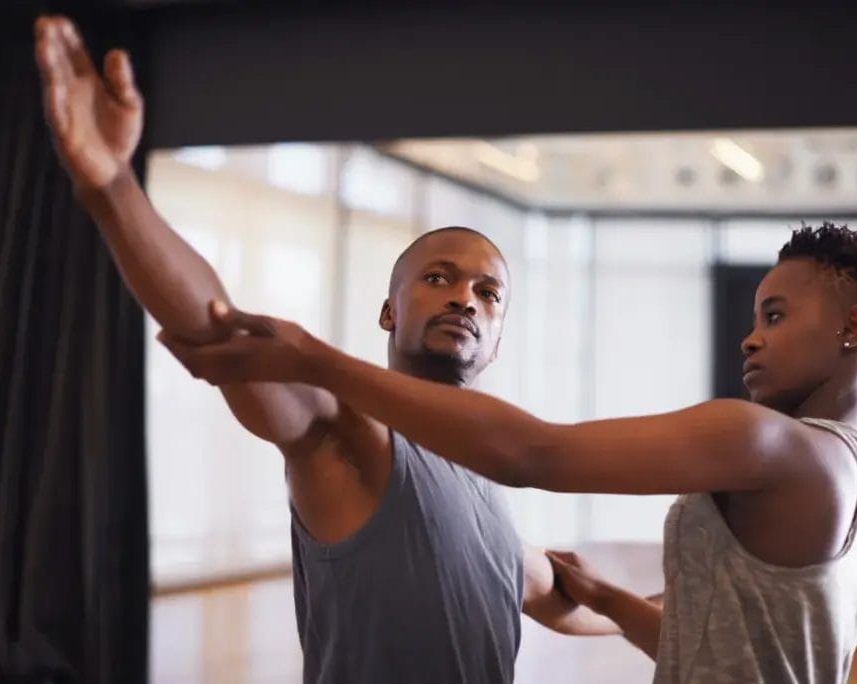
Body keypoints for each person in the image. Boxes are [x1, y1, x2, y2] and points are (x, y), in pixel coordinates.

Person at [32, 14, 642, 684]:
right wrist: (112, 188)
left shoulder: (487, 481)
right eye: (438, 278)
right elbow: (223, 333)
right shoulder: (348, 432)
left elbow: (563, 599)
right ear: (389, 310)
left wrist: (732, 591)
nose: (465, 297)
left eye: (488, 292)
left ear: (498, 335)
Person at [164, 222, 857, 683]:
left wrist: (315, 359)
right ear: (391, 308)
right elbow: (730, 650)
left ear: (852, 329)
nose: (751, 335)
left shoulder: (765, 440)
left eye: (775, 314)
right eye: (439, 279)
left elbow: (534, 454)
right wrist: (606, 600)